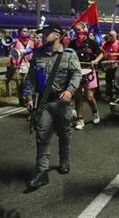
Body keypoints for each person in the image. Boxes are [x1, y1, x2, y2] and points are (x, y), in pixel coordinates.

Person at [24, 23, 82, 187]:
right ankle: (42, 172)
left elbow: (76, 74)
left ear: (57, 35)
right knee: (42, 136)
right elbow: (31, 78)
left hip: (62, 102)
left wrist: (70, 91)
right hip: (44, 103)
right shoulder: (38, 55)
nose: (43, 36)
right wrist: (28, 97)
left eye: (47, 33)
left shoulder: (69, 54)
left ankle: (64, 160)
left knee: (64, 133)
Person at [68, 23, 103, 130]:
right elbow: (68, 55)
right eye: (75, 30)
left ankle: (95, 112)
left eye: (79, 30)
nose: (77, 32)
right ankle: (80, 119)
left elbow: (101, 54)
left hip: (89, 71)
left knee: (89, 97)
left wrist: (95, 61)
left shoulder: (92, 43)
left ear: (84, 30)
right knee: (77, 96)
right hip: (76, 72)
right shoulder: (72, 43)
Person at [8, 27, 35, 106]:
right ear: (20, 32)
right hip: (19, 66)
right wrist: (14, 64)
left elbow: (33, 51)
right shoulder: (16, 42)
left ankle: (28, 99)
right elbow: (12, 53)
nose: (25, 33)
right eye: (23, 31)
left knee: (28, 83)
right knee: (19, 85)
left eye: (27, 31)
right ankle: (21, 100)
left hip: (28, 66)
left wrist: (30, 58)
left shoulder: (31, 42)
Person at [101, 30, 119, 101]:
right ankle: (109, 95)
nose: (110, 37)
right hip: (109, 65)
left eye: (112, 36)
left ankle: (118, 96)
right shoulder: (106, 43)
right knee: (108, 81)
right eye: (109, 35)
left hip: (118, 65)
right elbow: (102, 49)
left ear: (115, 36)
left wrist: (113, 54)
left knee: (116, 80)